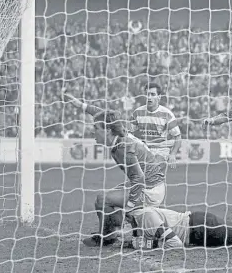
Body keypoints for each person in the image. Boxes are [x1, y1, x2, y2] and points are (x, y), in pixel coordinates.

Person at [63, 92, 167, 247]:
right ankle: (112, 233)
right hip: (149, 184)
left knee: (104, 200)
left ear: (107, 131)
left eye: (95, 128)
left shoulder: (122, 147)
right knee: (102, 201)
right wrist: (81, 105)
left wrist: (130, 207)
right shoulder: (118, 134)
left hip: (150, 189)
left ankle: (113, 235)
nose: (93, 131)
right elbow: (104, 115)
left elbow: (139, 178)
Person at [130, 82, 181, 168]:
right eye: (147, 94)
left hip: (161, 150)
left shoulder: (167, 114)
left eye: (153, 94)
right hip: (144, 149)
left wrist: (173, 154)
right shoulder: (137, 113)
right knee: (139, 176)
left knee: (153, 168)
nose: (149, 97)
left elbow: (178, 137)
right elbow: (129, 133)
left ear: (159, 97)